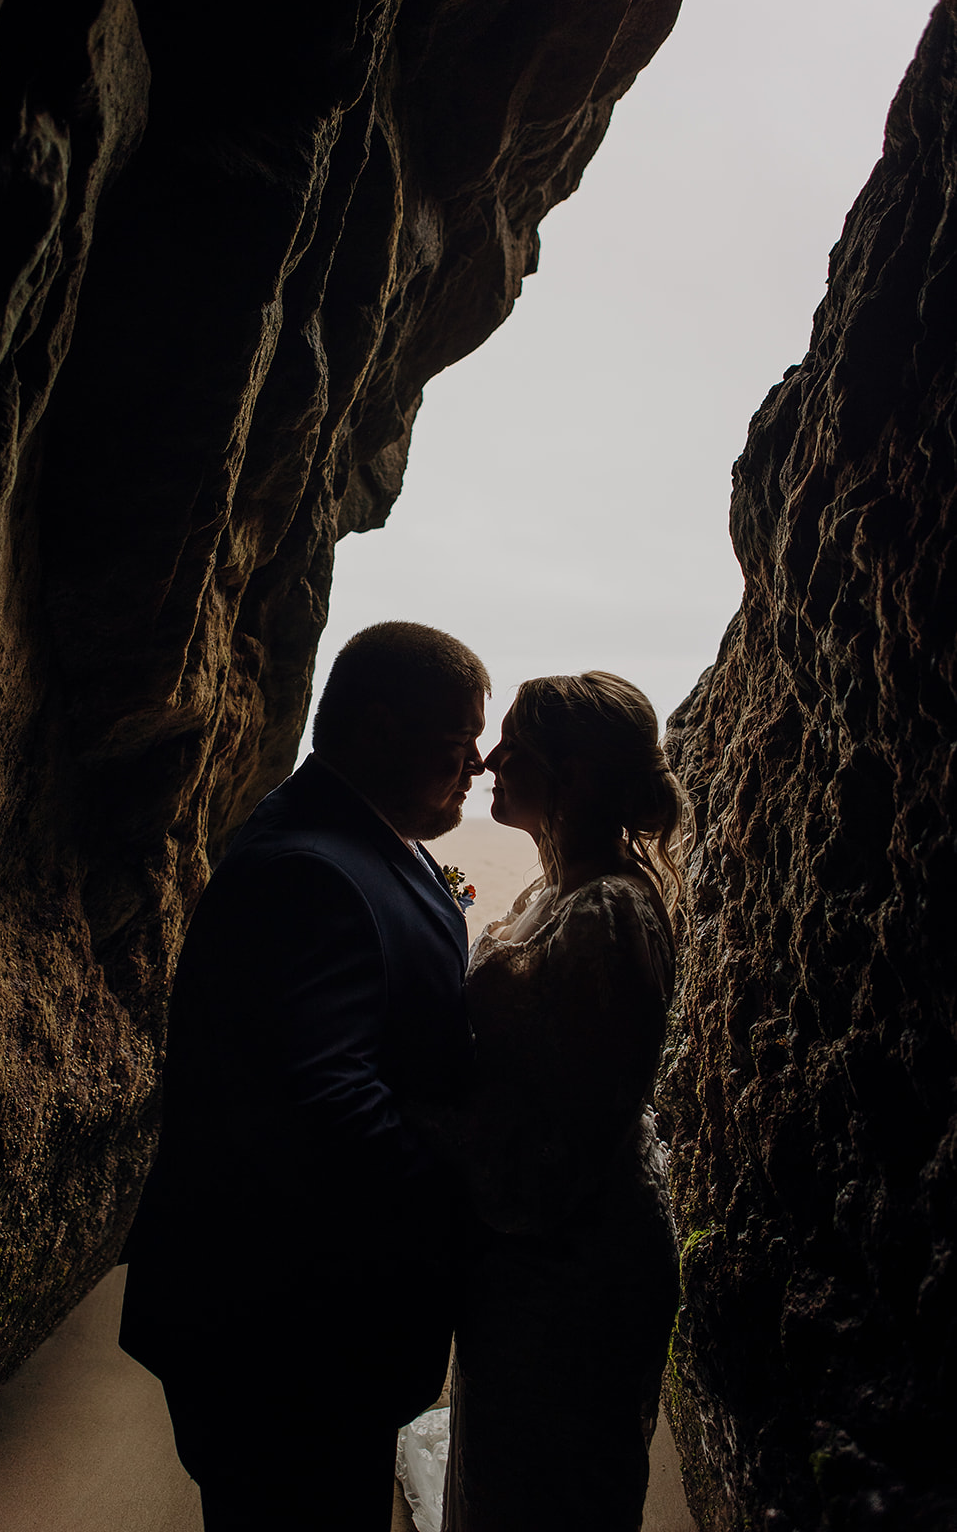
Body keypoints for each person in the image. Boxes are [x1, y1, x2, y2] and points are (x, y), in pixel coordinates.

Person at [119, 621, 490, 1531]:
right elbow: (325, 1105)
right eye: (455, 745)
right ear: (374, 731)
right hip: (282, 1331)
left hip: (311, 1320)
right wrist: (470, 1188)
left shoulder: (360, 835)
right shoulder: (303, 874)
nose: (475, 766)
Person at [424, 670, 687, 1532]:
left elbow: (570, 1131)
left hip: (570, 1263)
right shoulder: (554, 894)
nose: (490, 758)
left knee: (546, 1486)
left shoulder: (607, 914)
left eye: (515, 746)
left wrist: (426, 1124)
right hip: (534, 1255)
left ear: (571, 777)